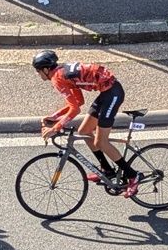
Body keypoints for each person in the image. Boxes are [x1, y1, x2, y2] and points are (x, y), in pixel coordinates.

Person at [32, 49, 138, 196]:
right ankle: (107, 169)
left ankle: (133, 175)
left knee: (101, 142)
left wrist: (55, 128)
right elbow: (78, 102)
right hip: (107, 92)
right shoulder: (62, 73)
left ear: (45, 69)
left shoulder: (57, 79)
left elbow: (74, 110)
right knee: (84, 132)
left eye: (38, 71)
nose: (38, 74)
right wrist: (54, 116)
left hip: (112, 94)